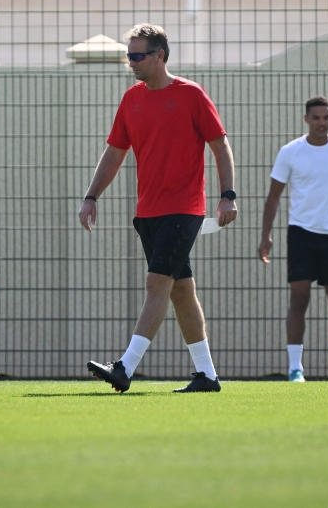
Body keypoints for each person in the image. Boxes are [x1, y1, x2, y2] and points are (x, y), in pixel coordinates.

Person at [79, 23, 238, 393]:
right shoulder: (131, 99)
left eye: (137, 55)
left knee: (156, 284)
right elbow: (115, 152)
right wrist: (91, 196)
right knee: (181, 291)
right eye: (128, 55)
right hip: (147, 212)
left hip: (184, 209)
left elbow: (220, 146)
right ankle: (207, 376)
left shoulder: (191, 95)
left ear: (160, 55)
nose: (130, 61)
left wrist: (227, 193)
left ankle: (125, 368)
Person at [258, 97, 328, 382]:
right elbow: (274, 195)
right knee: (299, 299)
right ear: (306, 119)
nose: (322, 122)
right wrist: (265, 235)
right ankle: (296, 369)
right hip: (301, 235)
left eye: (326, 117)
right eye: (316, 117)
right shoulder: (290, 152)